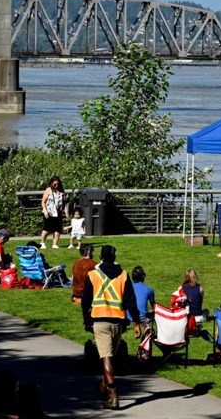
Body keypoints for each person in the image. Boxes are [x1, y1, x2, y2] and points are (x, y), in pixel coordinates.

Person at [81, 244, 141, 410]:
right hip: (118, 322)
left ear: (101, 256)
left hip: (100, 321)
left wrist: (87, 318)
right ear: (114, 257)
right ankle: (103, 386)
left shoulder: (93, 275)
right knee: (110, 358)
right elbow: (131, 300)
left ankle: (113, 392)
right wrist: (136, 321)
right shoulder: (123, 275)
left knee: (106, 358)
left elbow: (85, 300)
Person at [40, 175, 68, 249]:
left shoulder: (62, 191)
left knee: (57, 228)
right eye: (54, 184)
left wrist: (66, 213)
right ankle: (42, 243)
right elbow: (43, 202)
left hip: (58, 212)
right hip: (49, 212)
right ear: (51, 183)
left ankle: (55, 244)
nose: (56, 186)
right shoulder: (48, 190)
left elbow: (65, 203)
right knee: (47, 228)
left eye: (57, 184)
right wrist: (45, 211)